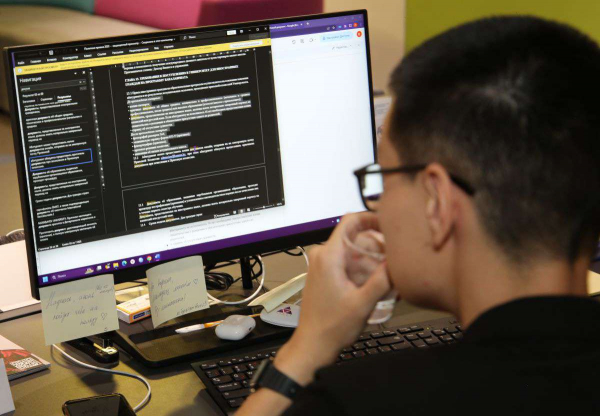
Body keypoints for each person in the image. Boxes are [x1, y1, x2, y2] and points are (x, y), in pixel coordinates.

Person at [237, 15, 600, 415]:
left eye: (384, 178)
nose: (378, 206)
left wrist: (307, 349)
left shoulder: (364, 401)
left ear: (437, 202)